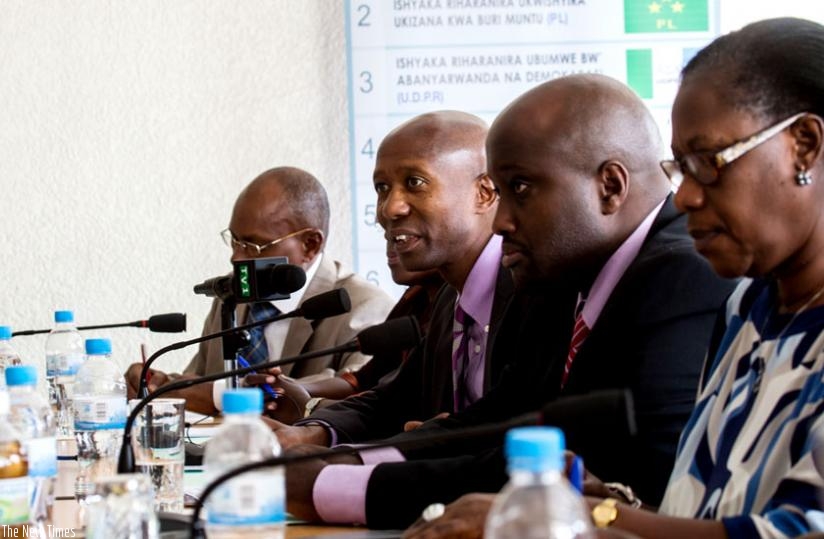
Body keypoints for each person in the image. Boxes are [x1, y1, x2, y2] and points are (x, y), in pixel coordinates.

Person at [405, 17, 824, 539]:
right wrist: (606, 500)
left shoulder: (701, 288)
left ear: (804, 144)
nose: (688, 196)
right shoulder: (751, 309)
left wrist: (597, 521)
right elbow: (704, 508)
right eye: (682, 168)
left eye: (710, 163)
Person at [283, 74, 736, 528]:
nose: (498, 222)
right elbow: (505, 420)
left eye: (520, 189)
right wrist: (347, 463)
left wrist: (335, 487)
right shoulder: (565, 277)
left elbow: (597, 468)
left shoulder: (681, 277)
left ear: (610, 187)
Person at [124, 167, 395, 415]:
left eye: (254, 247)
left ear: (310, 245)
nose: (236, 258)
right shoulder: (231, 296)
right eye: (234, 240)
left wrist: (221, 395)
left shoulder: (363, 307)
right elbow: (195, 386)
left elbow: (361, 400)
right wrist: (156, 383)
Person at [264, 239, 444, 424]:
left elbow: (393, 408)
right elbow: (364, 381)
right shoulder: (414, 300)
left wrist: (310, 406)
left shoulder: (455, 308)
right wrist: (289, 386)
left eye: (405, 238)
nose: (391, 247)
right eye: (388, 236)